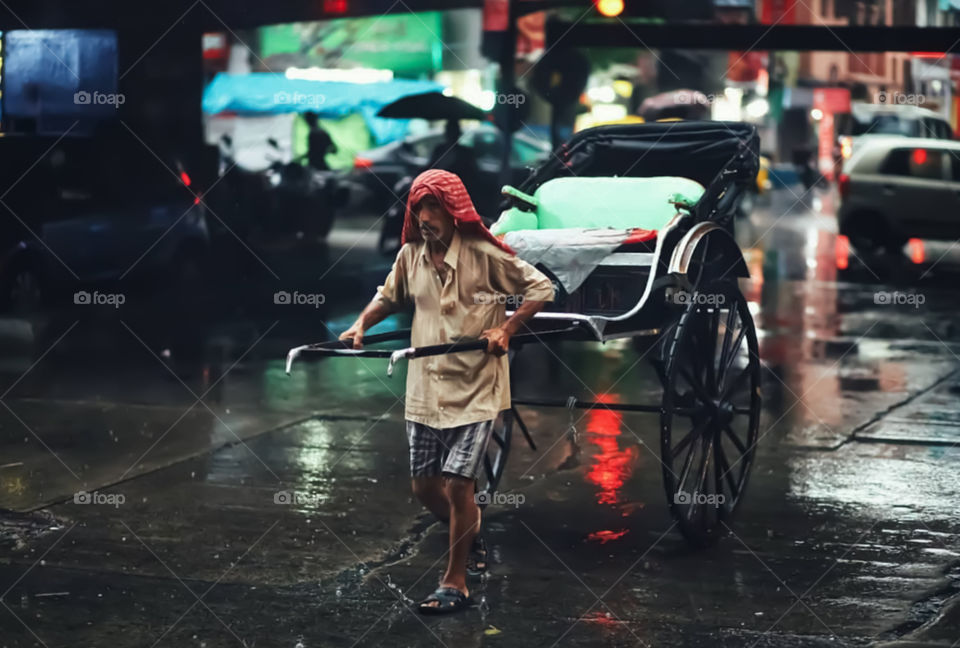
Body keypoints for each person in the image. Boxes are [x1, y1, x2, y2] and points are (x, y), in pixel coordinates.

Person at [339, 169, 554, 615]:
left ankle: (455, 580)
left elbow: (541, 287)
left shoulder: (483, 254)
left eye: (434, 207)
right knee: (424, 488)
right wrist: (362, 323)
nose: (424, 217)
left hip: (476, 386)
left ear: (454, 211)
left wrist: (507, 328)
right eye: (419, 208)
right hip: (425, 386)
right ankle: (470, 532)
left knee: (459, 486)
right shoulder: (410, 256)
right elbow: (389, 296)